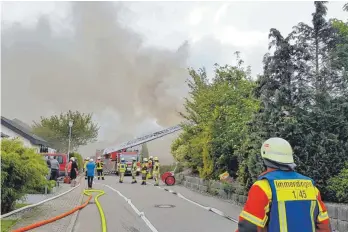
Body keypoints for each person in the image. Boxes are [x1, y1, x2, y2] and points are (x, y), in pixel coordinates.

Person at [236, 137, 331, 232]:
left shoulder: (263, 187)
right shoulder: (310, 186)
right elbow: (324, 225)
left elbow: (249, 227)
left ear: (265, 159)